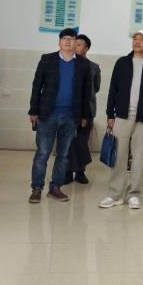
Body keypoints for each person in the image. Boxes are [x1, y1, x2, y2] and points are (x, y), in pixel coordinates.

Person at [99, 31, 143, 209]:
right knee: (118, 157)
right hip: (121, 116)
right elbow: (113, 89)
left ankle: (134, 194)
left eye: (141, 40)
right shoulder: (122, 63)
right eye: (135, 39)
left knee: (139, 158)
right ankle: (115, 194)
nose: (137, 42)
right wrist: (110, 114)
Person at [27, 28, 92, 204]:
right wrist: (33, 110)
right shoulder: (47, 59)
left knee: (63, 155)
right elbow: (37, 86)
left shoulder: (83, 64)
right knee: (43, 153)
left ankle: (55, 187)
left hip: (71, 116)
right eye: (64, 38)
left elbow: (86, 92)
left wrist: (84, 116)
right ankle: (36, 189)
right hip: (47, 114)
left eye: (71, 38)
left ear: (76, 42)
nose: (68, 41)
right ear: (59, 42)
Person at [64, 33, 101, 185]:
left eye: (78, 44)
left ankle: (80, 172)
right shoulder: (67, 64)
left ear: (86, 48)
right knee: (67, 140)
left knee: (82, 141)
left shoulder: (94, 67)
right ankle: (67, 172)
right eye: (74, 43)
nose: (75, 46)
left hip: (87, 110)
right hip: (68, 109)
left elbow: (96, 87)